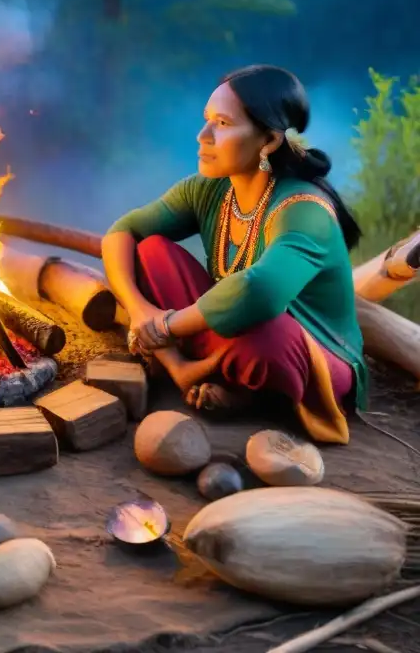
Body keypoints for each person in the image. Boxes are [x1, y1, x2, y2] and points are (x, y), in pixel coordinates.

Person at [102, 65, 366, 445]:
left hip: (303, 353)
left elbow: (259, 292)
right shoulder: (208, 189)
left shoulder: (304, 209)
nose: (202, 136)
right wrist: (141, 311)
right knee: (150, 252)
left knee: (267, 331)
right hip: (226, 327)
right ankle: (188, 371)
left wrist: (163, 328)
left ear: (270, 141)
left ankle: (248, 391)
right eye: (207, 120)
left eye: (222, 123)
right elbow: (122, 231)